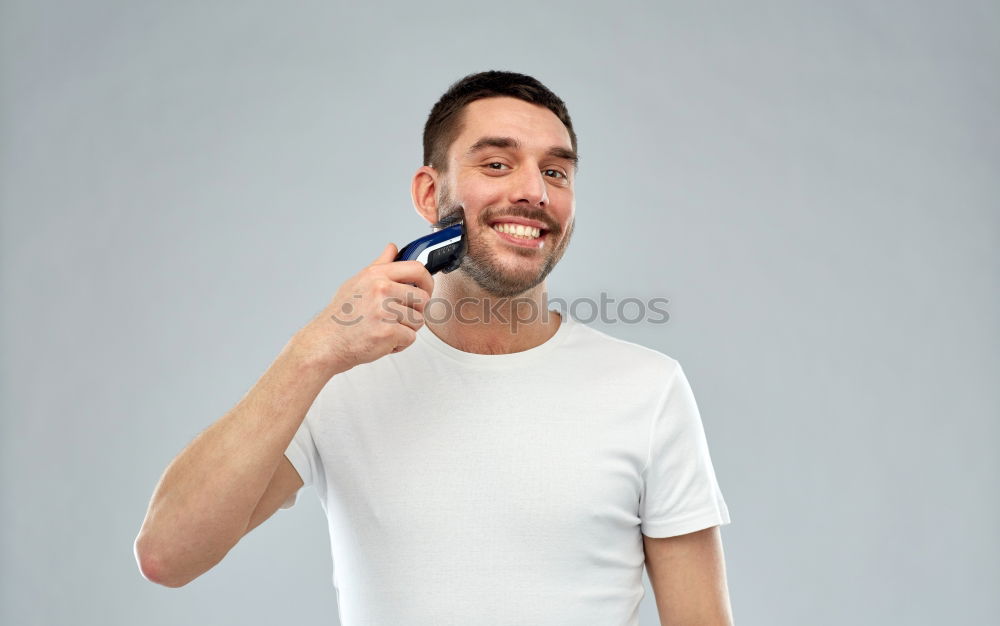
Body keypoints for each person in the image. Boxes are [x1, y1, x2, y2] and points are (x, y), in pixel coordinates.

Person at [134, 70, 734, 625]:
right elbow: (168, 554)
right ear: (429, 195)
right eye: (497, 164)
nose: (535, 191)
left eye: (556, 172)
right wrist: (313, 351)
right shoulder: (341, 378)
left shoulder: (647, 388)